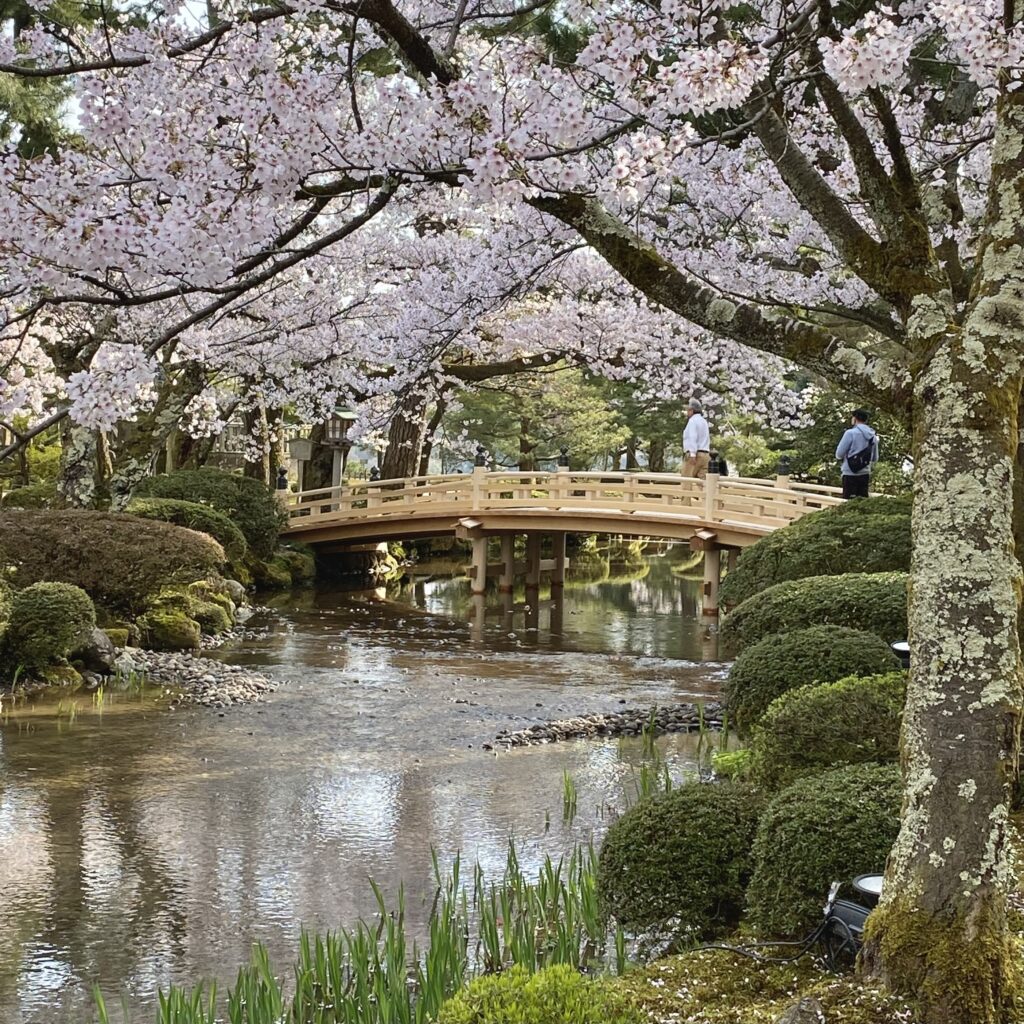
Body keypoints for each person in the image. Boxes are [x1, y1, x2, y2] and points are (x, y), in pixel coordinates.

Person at [836, 408, 878, 498]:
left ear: (854, 419)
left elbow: (839, 454)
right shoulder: (872, 436)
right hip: (865, 474)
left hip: (849, 473)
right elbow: (874, 458)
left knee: (848, 504)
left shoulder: (850, 433)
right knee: (862, 504)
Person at [682, 398, 711, 479]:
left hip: (695, 455)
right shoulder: (704, 421)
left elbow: (692, 437)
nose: (687, 412)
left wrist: (692, 454)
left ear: (692, 410)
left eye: (688, 410)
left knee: (687, 481)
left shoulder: (692, 421)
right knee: (702, 482)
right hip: (706, 455)